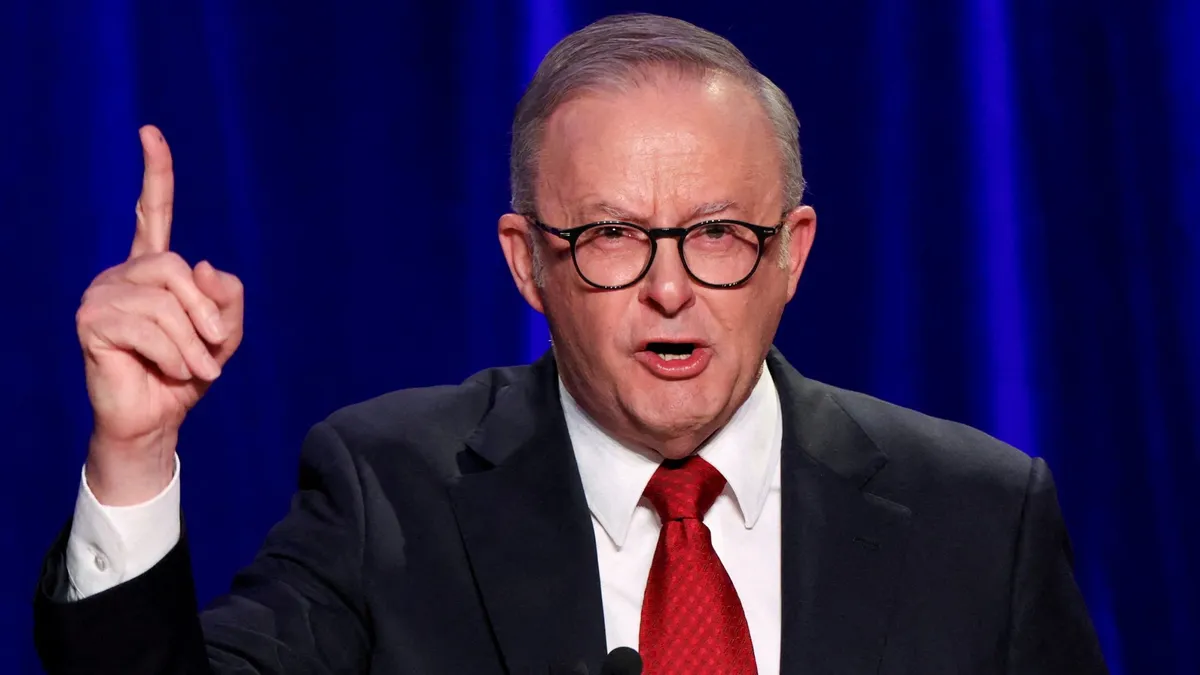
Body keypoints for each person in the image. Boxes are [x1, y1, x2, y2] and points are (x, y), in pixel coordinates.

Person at [33, 12, 1108, 675]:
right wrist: (134, 452)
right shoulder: (388, 495)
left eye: (718, 233)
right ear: (527, 264)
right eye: (611, 237)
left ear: (792, 251)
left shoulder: (982, 516)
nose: (670, 289)